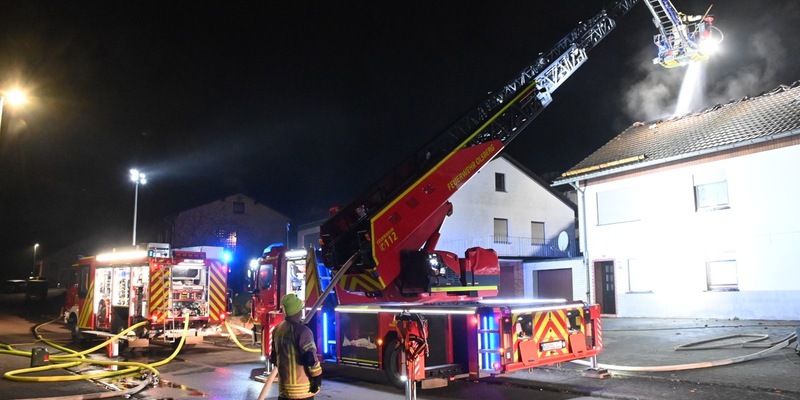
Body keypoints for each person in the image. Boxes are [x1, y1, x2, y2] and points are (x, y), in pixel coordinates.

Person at [269, 293, 322, 400]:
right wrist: (317, 377)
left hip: (284, 390)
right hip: (302, 391)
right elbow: (310, 358)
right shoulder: (303, 331)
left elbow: (274, 358)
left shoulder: (278, 329)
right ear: (297, 311)